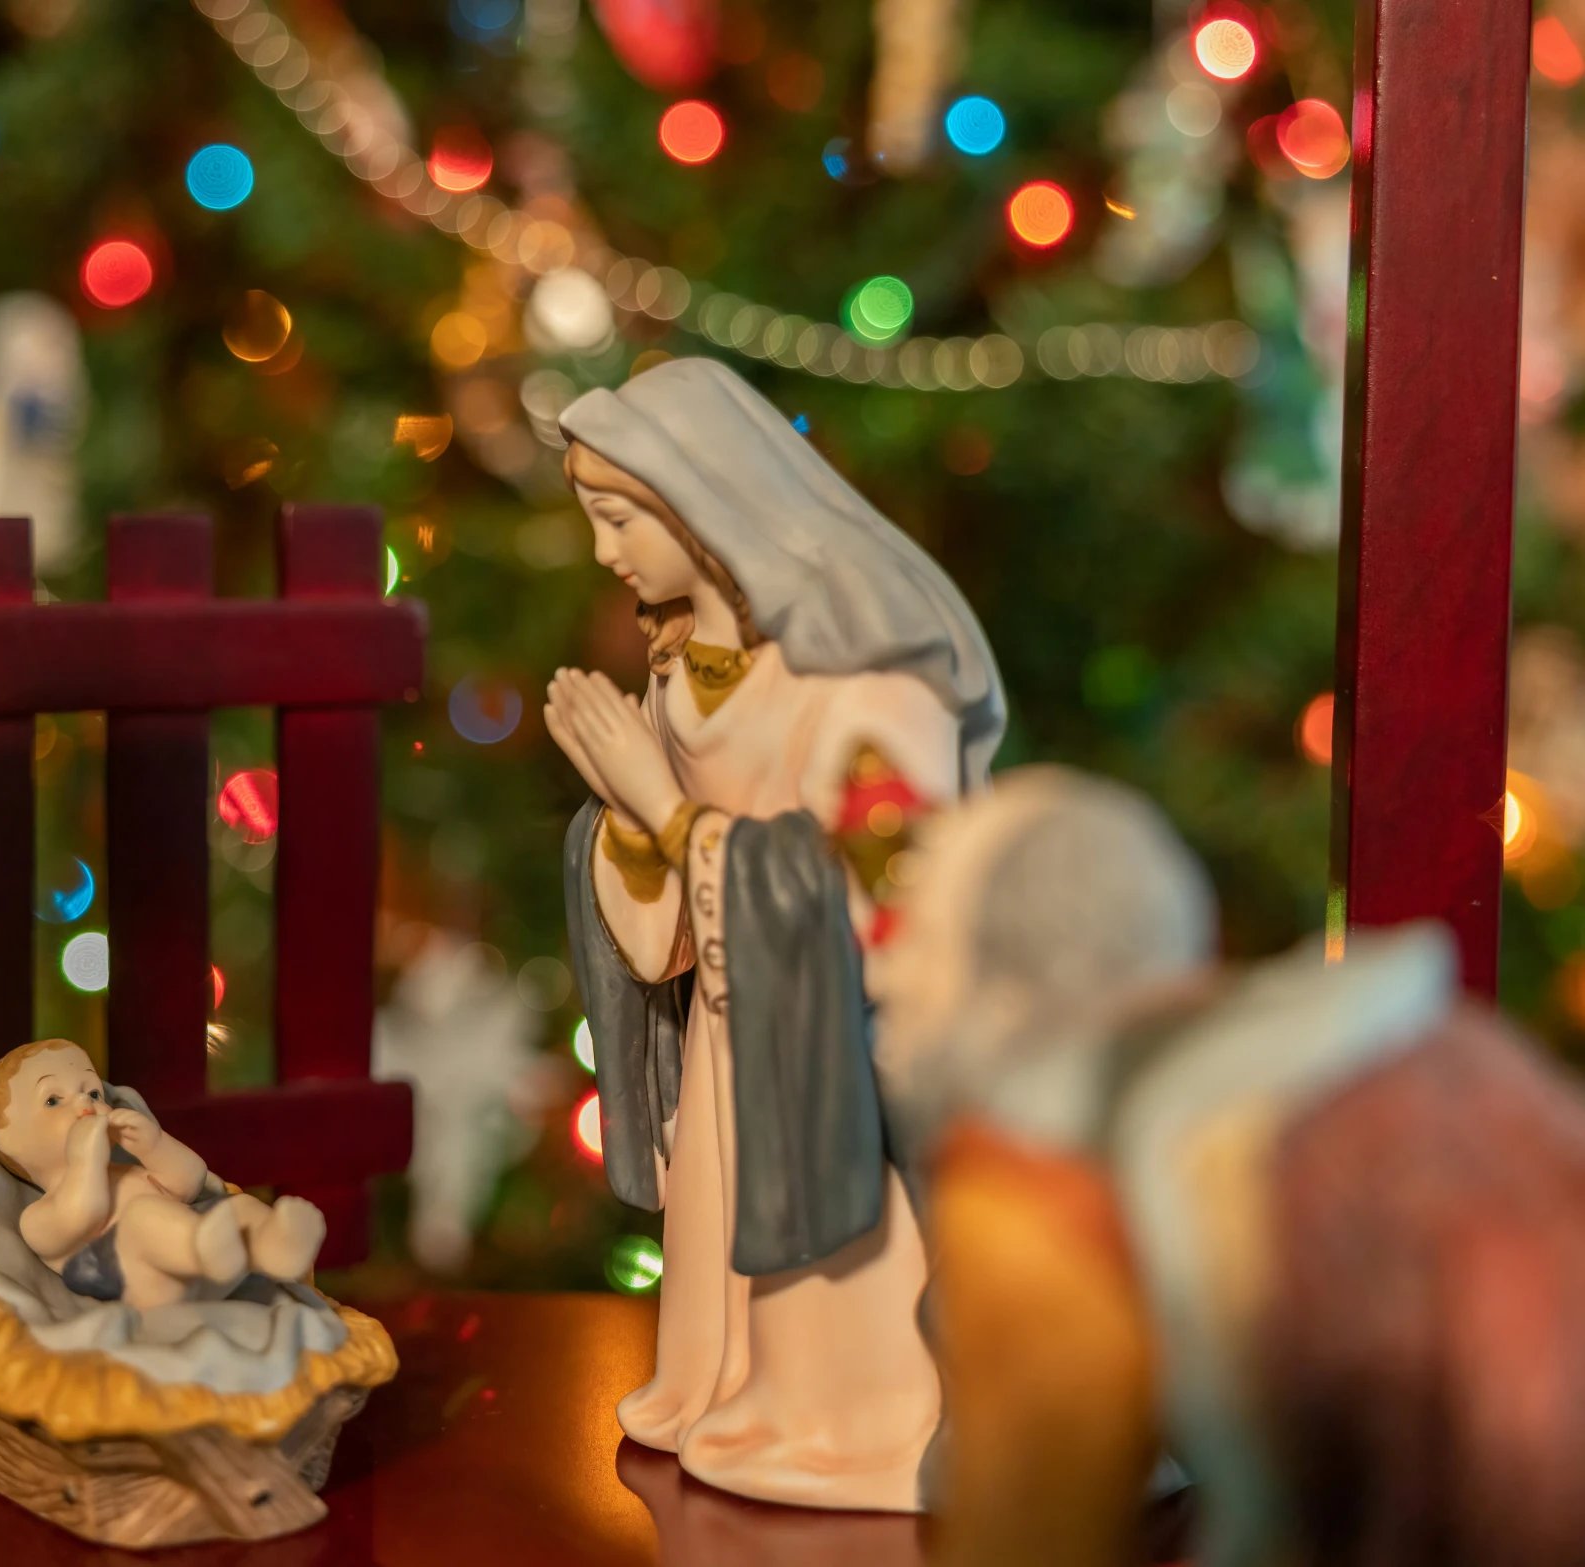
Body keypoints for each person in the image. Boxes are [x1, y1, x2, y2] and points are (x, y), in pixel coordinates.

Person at [877, 767, 1585, 1567]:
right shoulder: (1421, 1051)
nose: (888, 977)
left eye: (916, 947)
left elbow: (1027, 1523)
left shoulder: (1033, 1172)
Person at [545, 356, 1004, 1508]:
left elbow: (886, 891)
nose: (604, 551)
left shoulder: (863, 680)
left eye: (616, 517)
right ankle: (728, 1377)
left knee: (824, 1269)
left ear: (700, 506)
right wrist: (624, 826)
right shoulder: (681, 672)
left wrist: (660, 807)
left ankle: (845, 1415)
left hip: (830, 1051)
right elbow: (669, 926)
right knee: (720, 1224)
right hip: (732, 1024)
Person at [0, 1039, 326, 1307]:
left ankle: (274, 1249)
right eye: (53, 1100)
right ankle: (203, 1250)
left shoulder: (127, 1171)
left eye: (92, 1091)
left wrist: (153, 1146)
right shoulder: (38, 1216)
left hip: (207, 1255)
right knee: (144, 1216)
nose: (85, 1104)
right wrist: (85, 1160)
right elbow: (85, 1213)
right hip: (139, 1280)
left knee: (238, 1207)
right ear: (11, 1142)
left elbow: (189, 1182)